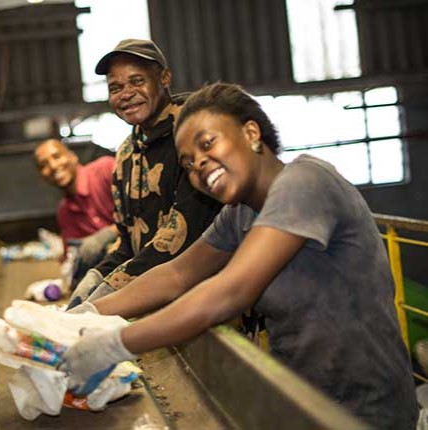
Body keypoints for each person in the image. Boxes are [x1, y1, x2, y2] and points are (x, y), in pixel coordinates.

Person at [59, 83, 418, 430]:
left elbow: (231, 292)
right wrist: (79, 318)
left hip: (364, 413)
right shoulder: (239, 213)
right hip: (301, 403)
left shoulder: (306, 182)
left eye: (208, 144)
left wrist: (115, 344)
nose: (199, 164)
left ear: (251, 133)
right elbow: (176, 275)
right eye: (187, 163)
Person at [68, 39, 223, 307]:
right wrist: (94, 279)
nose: (125, 94)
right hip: (152, 294)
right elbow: (128, 244)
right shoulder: (127, 152)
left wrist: (105, 296)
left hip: (210, 293)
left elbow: (177, 239)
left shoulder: (191, 134)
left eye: (137, 81)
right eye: (115, 88)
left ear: (164, 78)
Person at [34, 139, 117, 274]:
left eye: (57, 156)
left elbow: (146, 211)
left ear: (72, 156)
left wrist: (109, 233)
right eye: (44, 165)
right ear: (42, 177)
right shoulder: (65, 213)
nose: (53, 166)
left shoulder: (105, 170)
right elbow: (71, 261)